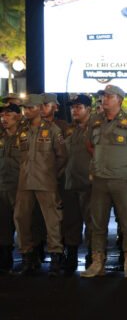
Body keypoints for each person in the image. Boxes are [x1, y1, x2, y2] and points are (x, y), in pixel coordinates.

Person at [81, 85, 127, 279]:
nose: (105, 99)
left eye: (109, 96)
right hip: (99, 179)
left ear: (119, 99)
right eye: (103, 96)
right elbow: (88, 144)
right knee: (97, 222)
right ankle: (98, 262)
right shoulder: (95, 121)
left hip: (122, 179)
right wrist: (99, 160)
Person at [14, 94, 67, 276]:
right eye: (25, 108)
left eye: (30, 108)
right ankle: (27, 256)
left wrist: (51, 174)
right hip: (25, 182)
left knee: (52, 220)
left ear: (39, 109)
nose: (26, 111)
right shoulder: (22, 130)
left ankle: (55, 257)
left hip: (46, 182)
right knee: (21, 218)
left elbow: (62, 156)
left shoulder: (53, 130)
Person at [62, 94, 93, 273]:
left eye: (79, 107)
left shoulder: (96, 129)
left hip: (89, 183)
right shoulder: (70, 130)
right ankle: (71, 256)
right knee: (71, 222)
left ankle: (93, 256)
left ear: (88, 109)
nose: (74, 110)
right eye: (73, 107)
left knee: (92, 223)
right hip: (71, 182)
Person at [0, 104, 22, 272]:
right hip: (2, 186)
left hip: (20, 186)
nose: (4, 118)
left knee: (24, 223)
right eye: (2, 115)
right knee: (3, 223)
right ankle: (6, 258)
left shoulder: (26, 136)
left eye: (8, 114)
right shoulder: (1, 137)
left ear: (18, 116)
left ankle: (30, 256)